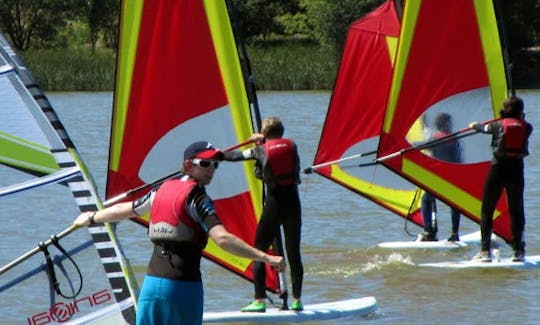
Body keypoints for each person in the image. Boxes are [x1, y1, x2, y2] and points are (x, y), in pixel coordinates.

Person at [73, 141, 284, 325]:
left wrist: (92, 217)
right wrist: (265, 257)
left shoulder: (160, 190)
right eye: (205, 164)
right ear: (187, 165)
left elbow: (125, 209)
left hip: (152, 286)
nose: (211, 169)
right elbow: (223, 239)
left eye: (215, 164)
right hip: (182, 288)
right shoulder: (198, 198)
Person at [221, 116, 304, 312]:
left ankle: (259, 301)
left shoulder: (259, 150)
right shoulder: (292, 146)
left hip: (274, 207)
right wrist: (265, 140)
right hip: (293, 206)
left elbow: (234, 157)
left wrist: (215, 154)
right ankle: (297, 300)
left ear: (264, 133)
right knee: (294, 254)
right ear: (281, 131)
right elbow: (281, 153)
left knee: (258, 252)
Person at [469, 96, 532, 262]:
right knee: (516, 210)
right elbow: (521, 125)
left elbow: (483, 128)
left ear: (504, 110)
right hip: (516, 171)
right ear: (521, 112)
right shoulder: (527, 127)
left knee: (487, 210)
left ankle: (485, 252)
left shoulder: (497, 125)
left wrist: (473, 125)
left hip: (498, 170)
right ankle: (518, 252)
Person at [420, 113, 463, 242]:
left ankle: (430, 231)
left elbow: (420, 146)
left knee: (426, 199)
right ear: (449, 125)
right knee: (454, 204)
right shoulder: (456, 138)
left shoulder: (436, 138)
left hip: (439, 178)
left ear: (437, 126)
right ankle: (455, 233)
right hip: (454, 177)